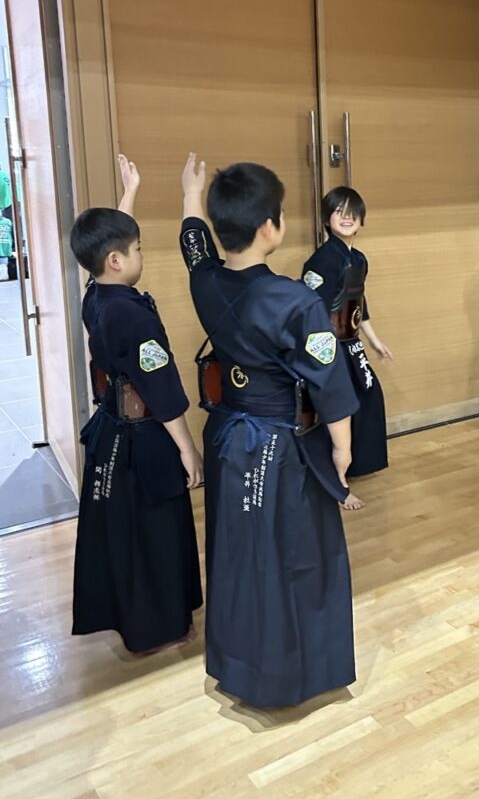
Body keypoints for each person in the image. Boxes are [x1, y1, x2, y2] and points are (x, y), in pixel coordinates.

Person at [179, 154, 359, 708]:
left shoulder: (206, 282)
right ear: (269, 226)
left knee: (238, 549)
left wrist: (191, 195)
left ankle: (237, 664)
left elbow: (193, 245)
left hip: (227, 439)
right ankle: (284, 676)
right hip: (280, 445)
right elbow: (330, 383)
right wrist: (343, 451)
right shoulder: (296, 300)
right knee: (293, 553)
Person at [70, 154, 203, 654]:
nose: (141, 255)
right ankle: (160, 629)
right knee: (157, 533)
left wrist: (130, 193)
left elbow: (109, 249)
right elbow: (161, 390)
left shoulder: (96, 298)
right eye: (138, 249)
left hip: (111, 435)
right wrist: (187, 450)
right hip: (144, 443)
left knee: (126, 534)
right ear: (116, 261)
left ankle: (133, 620)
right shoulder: (133, 317)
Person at [301, 187, 392, 511]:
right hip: (328, 349)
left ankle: (353, 468)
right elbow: (311, 311)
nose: (347, 217)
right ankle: (338, 484)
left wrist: (374, 340)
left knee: (368, 397)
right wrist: (322, 359)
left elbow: (357, 303)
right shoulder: (321, 261)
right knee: (337, 411)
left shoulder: (358, 259)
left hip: (350, 344)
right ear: (327, 219)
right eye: (339, 211)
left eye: (353, 212)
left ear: (362, 220)